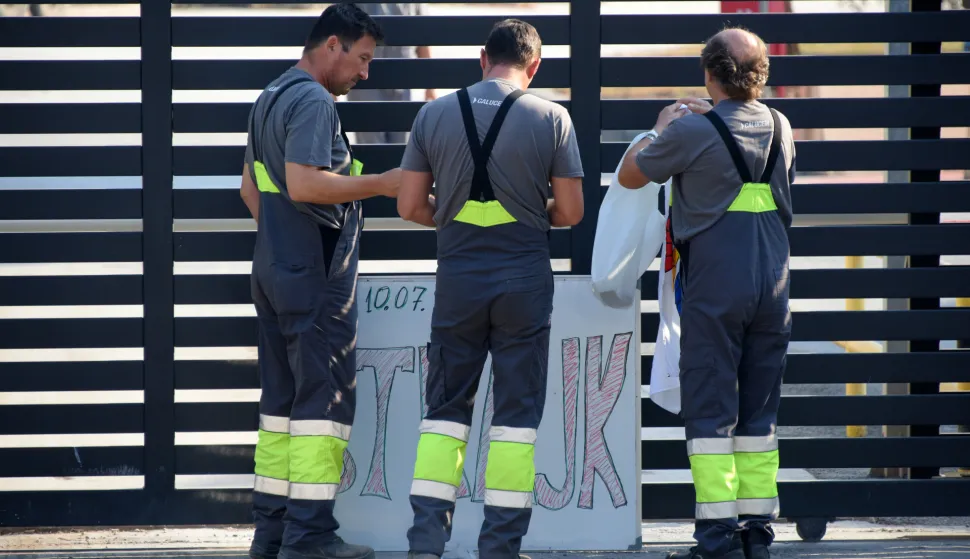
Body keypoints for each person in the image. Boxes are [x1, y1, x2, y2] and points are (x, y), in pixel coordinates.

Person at [395, 18, 585, 559]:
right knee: (516, 419)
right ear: (535, 65)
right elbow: (570, 210)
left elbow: (409, 206)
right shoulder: (553, 117)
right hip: (524, 280)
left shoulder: (432, 114)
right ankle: (500, 547)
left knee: (444, 413)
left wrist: (455, 218)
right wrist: (527, 215)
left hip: (458, 279)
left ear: (483, 57)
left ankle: (426, 543)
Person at [617, 26, 796, 559]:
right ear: (760, 75)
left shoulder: (690, 131)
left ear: (710, 74)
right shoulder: (782, 124)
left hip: (717, 283)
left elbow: (631, 176)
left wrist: (659, 127)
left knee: (711, 412)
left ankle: (716, 539)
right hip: (774, 282)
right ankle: (758, 535)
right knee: (760, 414)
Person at [238, 4, 400, 559]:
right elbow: (305, 184)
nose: (365, 72)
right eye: (362, 58)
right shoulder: (311, 100)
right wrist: (383, 182)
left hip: (275, 270)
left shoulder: (271, 95)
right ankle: (309, 539)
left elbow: (251, 191)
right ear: (332, 45)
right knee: (320, 409)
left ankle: (273, 534)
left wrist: (283, 244)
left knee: (279, 409)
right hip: (314, 279)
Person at [344, 2, 435, 144]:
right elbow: (338, 31)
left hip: (401, 81)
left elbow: (422, 39)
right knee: (371, 145)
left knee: (401, 145)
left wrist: (430, 87)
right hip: (364, 82)